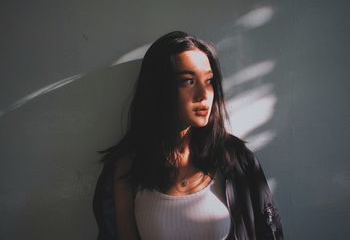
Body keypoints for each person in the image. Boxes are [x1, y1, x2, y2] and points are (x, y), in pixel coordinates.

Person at [93, 31, 283, 240]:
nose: (203, 94)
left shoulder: (236, 160)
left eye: (209, 81)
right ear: (159, 89)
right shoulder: (127, 167)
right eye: (188, 81)